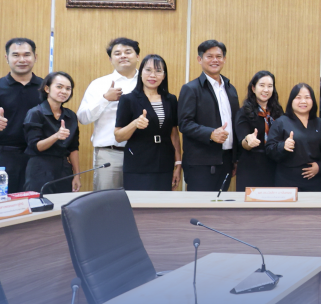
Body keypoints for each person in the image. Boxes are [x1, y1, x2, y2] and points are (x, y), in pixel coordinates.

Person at [0, 38, 44, 196]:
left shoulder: (46, 88)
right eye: (16, 55)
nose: (22, 60)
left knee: (35, 206)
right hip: (2, 159)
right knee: (1, 206)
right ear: (7, 58)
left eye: (27, 55)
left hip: (37, 157)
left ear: (35, 57)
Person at [76, 37, 141, 191]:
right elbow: (82, 118)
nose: (123, 56)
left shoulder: (147, 83)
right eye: (117, 53)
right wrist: (105, 99)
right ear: (111, 59)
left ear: (137, 56)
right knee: (106, 200)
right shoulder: (99, 84)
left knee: (139, 200)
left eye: (128, 52)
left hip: (142, 153)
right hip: (109, 153)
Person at [113, 54, 181, 191]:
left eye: (158, 71)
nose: (153, 75)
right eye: (148, 70)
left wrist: (178, 162)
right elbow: (118, 136)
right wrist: (135, 124)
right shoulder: (128, 99)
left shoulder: (171, 100)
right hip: (138, 164)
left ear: (164, 75)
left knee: (162, 202)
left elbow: (174, 133)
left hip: (165, 162)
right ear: (141, 73)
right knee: (138, 203)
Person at [178, 40, 239, 192]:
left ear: (224, 59)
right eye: (209, 56)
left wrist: (235, 158)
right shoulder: (191, 89)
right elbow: (184, 123)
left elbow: (236, 124)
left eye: (219, 56)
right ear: (200, 59)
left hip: (226, 160)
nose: (215, 60)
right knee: (199, 205)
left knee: (220, 206)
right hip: (201, 163)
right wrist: (210, 134)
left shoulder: (231, 89)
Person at [22, 72, 80, 194]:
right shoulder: (35, 113)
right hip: (40, 167)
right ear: (47, 89)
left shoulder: (71, 116)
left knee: (63, 203)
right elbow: (36, 146)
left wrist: (77, 175)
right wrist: (56, 136)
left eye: (68, 89)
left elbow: (73, 148)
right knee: (40, 203)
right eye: (59, 87)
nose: (64, 91)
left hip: (64, 168)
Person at [266, 83, 321, 192]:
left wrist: (320, 166)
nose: (303, 101)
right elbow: (269, 149)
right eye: (298, 97)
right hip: (287, 180)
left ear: (313, 101)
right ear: (291, 101)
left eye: (307, 97)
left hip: (314, 181)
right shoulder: (281, 122)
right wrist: (283, 146)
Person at [234, 71, 282, 190]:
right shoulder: (244, 112)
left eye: (270, 86)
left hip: (274, 167)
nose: (266, 90)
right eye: (262, 85)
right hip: (250, 168)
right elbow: (243, 140)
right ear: (253, 88)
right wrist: (248, 140)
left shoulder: (278, 112)